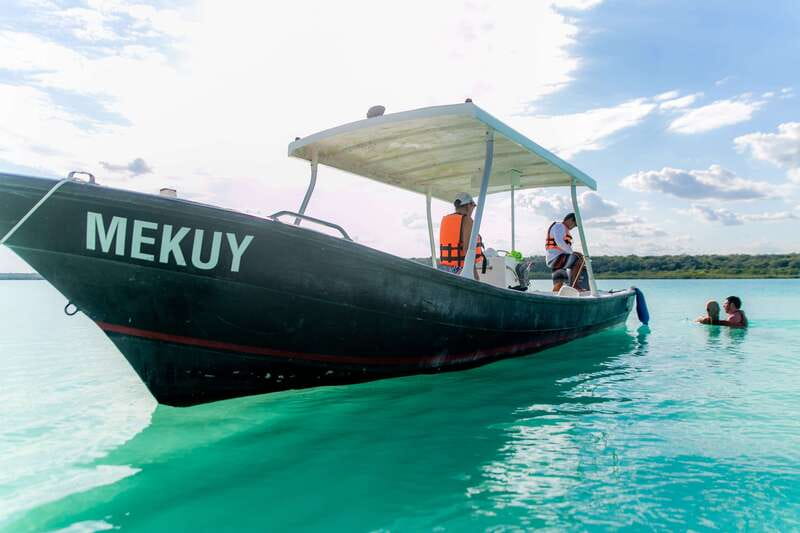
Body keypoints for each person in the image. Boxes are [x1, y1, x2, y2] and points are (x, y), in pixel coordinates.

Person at [439, 192, 487, 280]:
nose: (473, 209)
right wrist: (474, 274)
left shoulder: (447, 219)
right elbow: (467, 249)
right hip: (461, 268)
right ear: (469, 205)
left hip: (446, 268)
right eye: (473, 206)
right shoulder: (467, 220)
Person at [545, 213, 586, 289]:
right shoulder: (559, 226)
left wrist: (571, 253)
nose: (574, 227)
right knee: (578, 259)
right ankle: (575, 286)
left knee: (559, 285)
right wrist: (572, 253)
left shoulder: (561, 228)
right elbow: (559, 242)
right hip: (556, 258)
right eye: (575, 224)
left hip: (556, 259)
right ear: (570, 220)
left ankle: (556, 294)